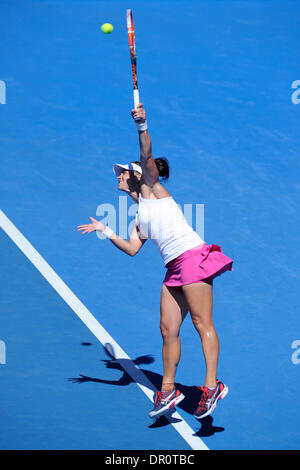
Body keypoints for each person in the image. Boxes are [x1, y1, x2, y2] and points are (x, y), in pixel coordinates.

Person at [77, 103, 233, 420]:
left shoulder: (153, 189)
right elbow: (133, 248)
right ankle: (168, 389)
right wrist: (105, 230)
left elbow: (147, 157)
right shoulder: (139, 217)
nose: (118, 175)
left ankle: (211, 386)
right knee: (167, 329)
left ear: (138, 177)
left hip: (192, 258)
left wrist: (142, 125)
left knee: (202, 323)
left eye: (123, 172)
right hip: (174, 269)